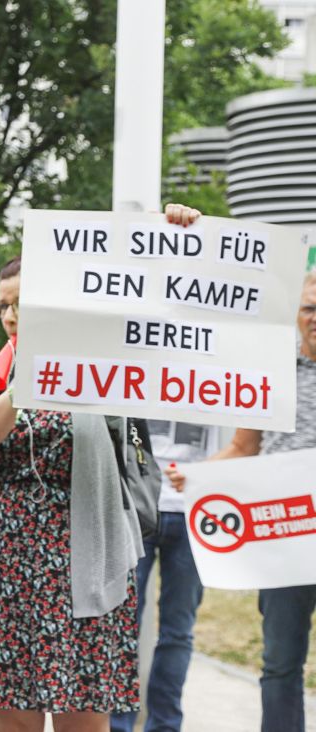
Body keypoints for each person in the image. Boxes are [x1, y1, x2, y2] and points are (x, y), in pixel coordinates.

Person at [0, 224, 198, 728]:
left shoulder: (103, 369)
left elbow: (163, 319)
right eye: (3, 305)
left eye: (22, 303)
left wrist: (175, 235)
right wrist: (27, 380)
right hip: (9, 565)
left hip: (88, 564)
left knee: (84, 717)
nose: (11, 315)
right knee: (15, 718)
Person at [168, 266, 316, 732]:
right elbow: (242, 447)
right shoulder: (274, 374)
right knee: (281, 662)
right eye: (310, 308)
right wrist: (197, 478)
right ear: (296, 313)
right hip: (286, 541)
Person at [109, 420, 218, 732]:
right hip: (135, 501)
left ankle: (164, 725)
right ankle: (118, 724)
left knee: (178, 630)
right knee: (122, 625)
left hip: (194, 506)